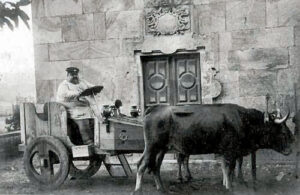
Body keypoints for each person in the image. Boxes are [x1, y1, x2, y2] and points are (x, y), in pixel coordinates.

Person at [56, 67, 96, 145]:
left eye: (76, 74)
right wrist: (78, 92)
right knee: (84, 123)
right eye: (72, 75)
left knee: (92, 124)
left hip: (86, 110)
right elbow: (65, 94)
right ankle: (88, 143)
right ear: (67, 75)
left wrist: (95, 89)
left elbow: (90, 86)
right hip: (73, 110)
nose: (75, 76)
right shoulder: (64, 85)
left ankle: (92, 142)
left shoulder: (82, 82)